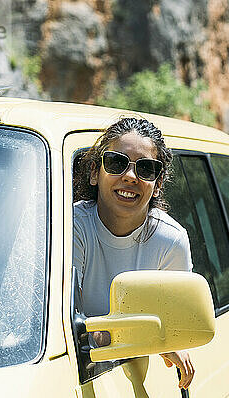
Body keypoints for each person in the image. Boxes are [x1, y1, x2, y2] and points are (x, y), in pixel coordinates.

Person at [72, 117, 195, 390]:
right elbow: (69, 330)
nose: (130, 176)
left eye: (146, 168)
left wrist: (168, 341)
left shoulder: (171, 241)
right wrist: (154, 339)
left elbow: (178, 329)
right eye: (116, 163)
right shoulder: (71, 227)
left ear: (158, 182)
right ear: (95, 172)